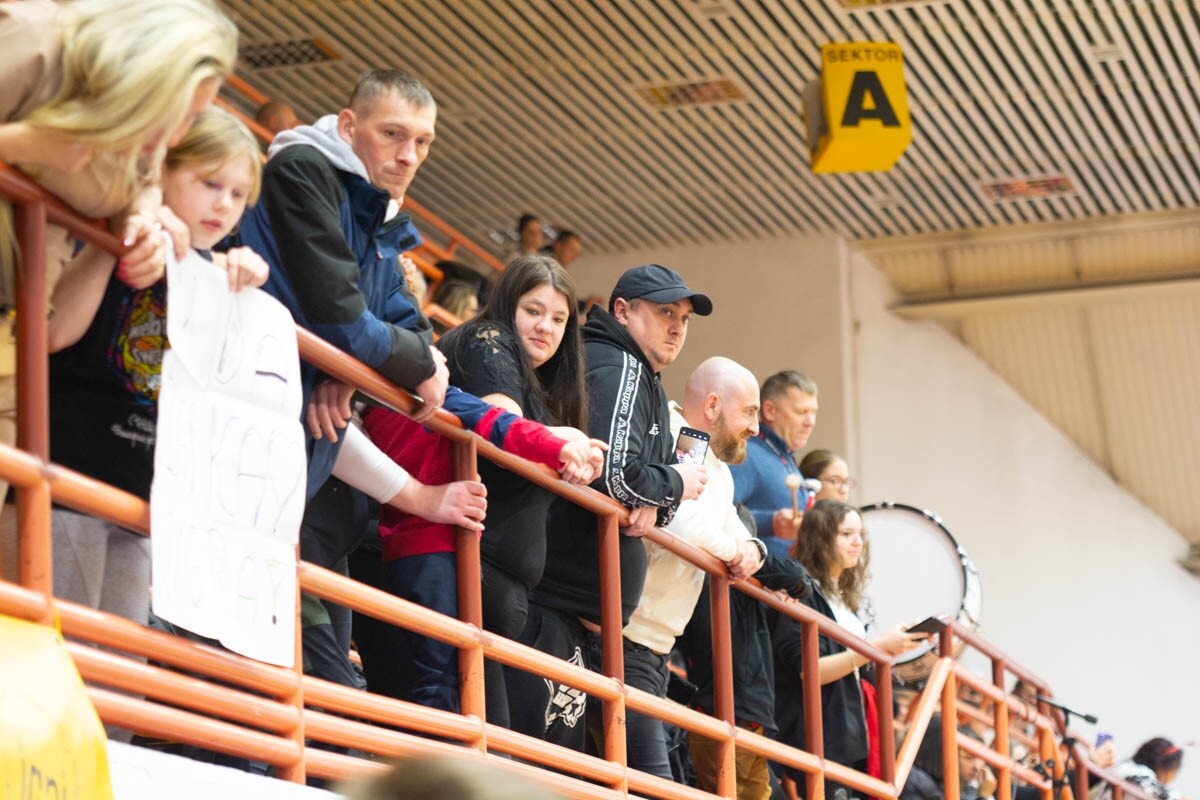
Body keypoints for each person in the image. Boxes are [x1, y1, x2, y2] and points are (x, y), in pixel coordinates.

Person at [0, 0, 238, 501]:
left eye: (191, 120)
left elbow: (143, 186)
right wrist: (24, 144)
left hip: (13, 356)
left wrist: (139, 217)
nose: (174, 136)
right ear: (145, 71)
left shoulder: (141, 133)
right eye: (178, 112)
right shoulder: (35, 41)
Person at [360, 255, 603, 713]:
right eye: (533, 311)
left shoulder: (532, 388)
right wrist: (561, 444)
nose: (545, 328)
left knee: (458, 706)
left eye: (558, 318)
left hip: (457, 564)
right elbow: (500, 427)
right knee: (442, 699)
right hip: (437, 552)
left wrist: (565, 446)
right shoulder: (476, 349)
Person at [510, 263, 712, 751]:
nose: (676, 328)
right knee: (542, 768)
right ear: (622, 312)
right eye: (665, 313)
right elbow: (614, 474)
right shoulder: (620, 366)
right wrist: (671, 485)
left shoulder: (640, 374)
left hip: (572, 617)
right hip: (551, 606)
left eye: (684, 319)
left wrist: (656, 495)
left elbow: (649, 499)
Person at [618, 356, 765, 779]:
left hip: (655, 645)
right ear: (714, 406)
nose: (754, 428)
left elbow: (734, 529)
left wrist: (751, 547)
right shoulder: (673, 433)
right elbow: (681, 523)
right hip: (629, 637)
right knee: (655, 784)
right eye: (749, 412)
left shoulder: (718, 466)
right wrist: (732, 553)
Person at [770, 500, 926, 797]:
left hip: (852, 727)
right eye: (846, 534)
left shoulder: (843, 597)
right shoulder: (800, 592)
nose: (858, 542)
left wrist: (889, 648)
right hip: (821, 731)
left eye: (860, 534)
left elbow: (853, 662)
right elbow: (810, 670)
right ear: (821, 538)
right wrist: (874, 648)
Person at [679, 503, 814, 800]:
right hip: (721, 713)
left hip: (751, 717)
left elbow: (800, 582)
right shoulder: (700, 576)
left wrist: (761, 571)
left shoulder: (751, 584)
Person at [729, 371, 820, 558]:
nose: (810, 422)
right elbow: (719, 513)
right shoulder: (748, 455)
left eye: (813, 413)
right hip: (752, 582)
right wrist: (771, 523)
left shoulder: (784, 458)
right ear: (770, 410)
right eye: (801, 412)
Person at [900, 716, 998, 800]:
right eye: (967, 756)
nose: (976, 766)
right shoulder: (918, 781)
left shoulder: (962, 787)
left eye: (981, 758)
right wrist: (983, 797)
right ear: (939, 750)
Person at [1115, 738, 1185, 800]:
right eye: (1175, 770)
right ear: (1164, 768)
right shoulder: (1139, 775)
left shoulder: (1124, 766)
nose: (1173, 776)